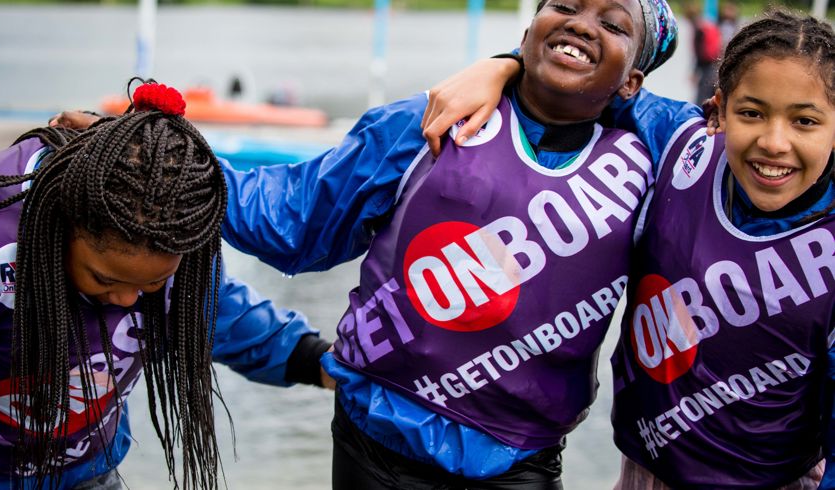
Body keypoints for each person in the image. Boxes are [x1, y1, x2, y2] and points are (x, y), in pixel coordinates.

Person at [222, 0, 681, 487]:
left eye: (612, 25)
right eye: (565, 6)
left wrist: (501, 63)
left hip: (519, 462)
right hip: (371, 442)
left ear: (633, 82)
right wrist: (166, 163)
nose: (581, 25)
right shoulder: (430, 121)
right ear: (528, 32)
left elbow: (739, 141)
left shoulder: (648, 168)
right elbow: (291, 217)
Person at [421, 8, 835, 489]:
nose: (774, 141)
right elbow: (586, 77)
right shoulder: (680, 144)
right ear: (717, 111)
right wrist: (501, 65)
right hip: (641, 471)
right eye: (751, 113)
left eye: (805, 121)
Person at [0, 80, 332, 489]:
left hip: (88, 473)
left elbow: (227, 315)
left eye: (152, 284)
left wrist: (318, 361)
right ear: (61, 225)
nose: (129, 298)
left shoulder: (170, 235)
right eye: (104, 279)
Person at [683, 1, 721, 104]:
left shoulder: (699, 29)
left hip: (706, 66)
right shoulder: (707, 24)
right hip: (715, 64)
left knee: (701, 99)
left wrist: (695, 71)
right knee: (712, 95)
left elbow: (700, 53)